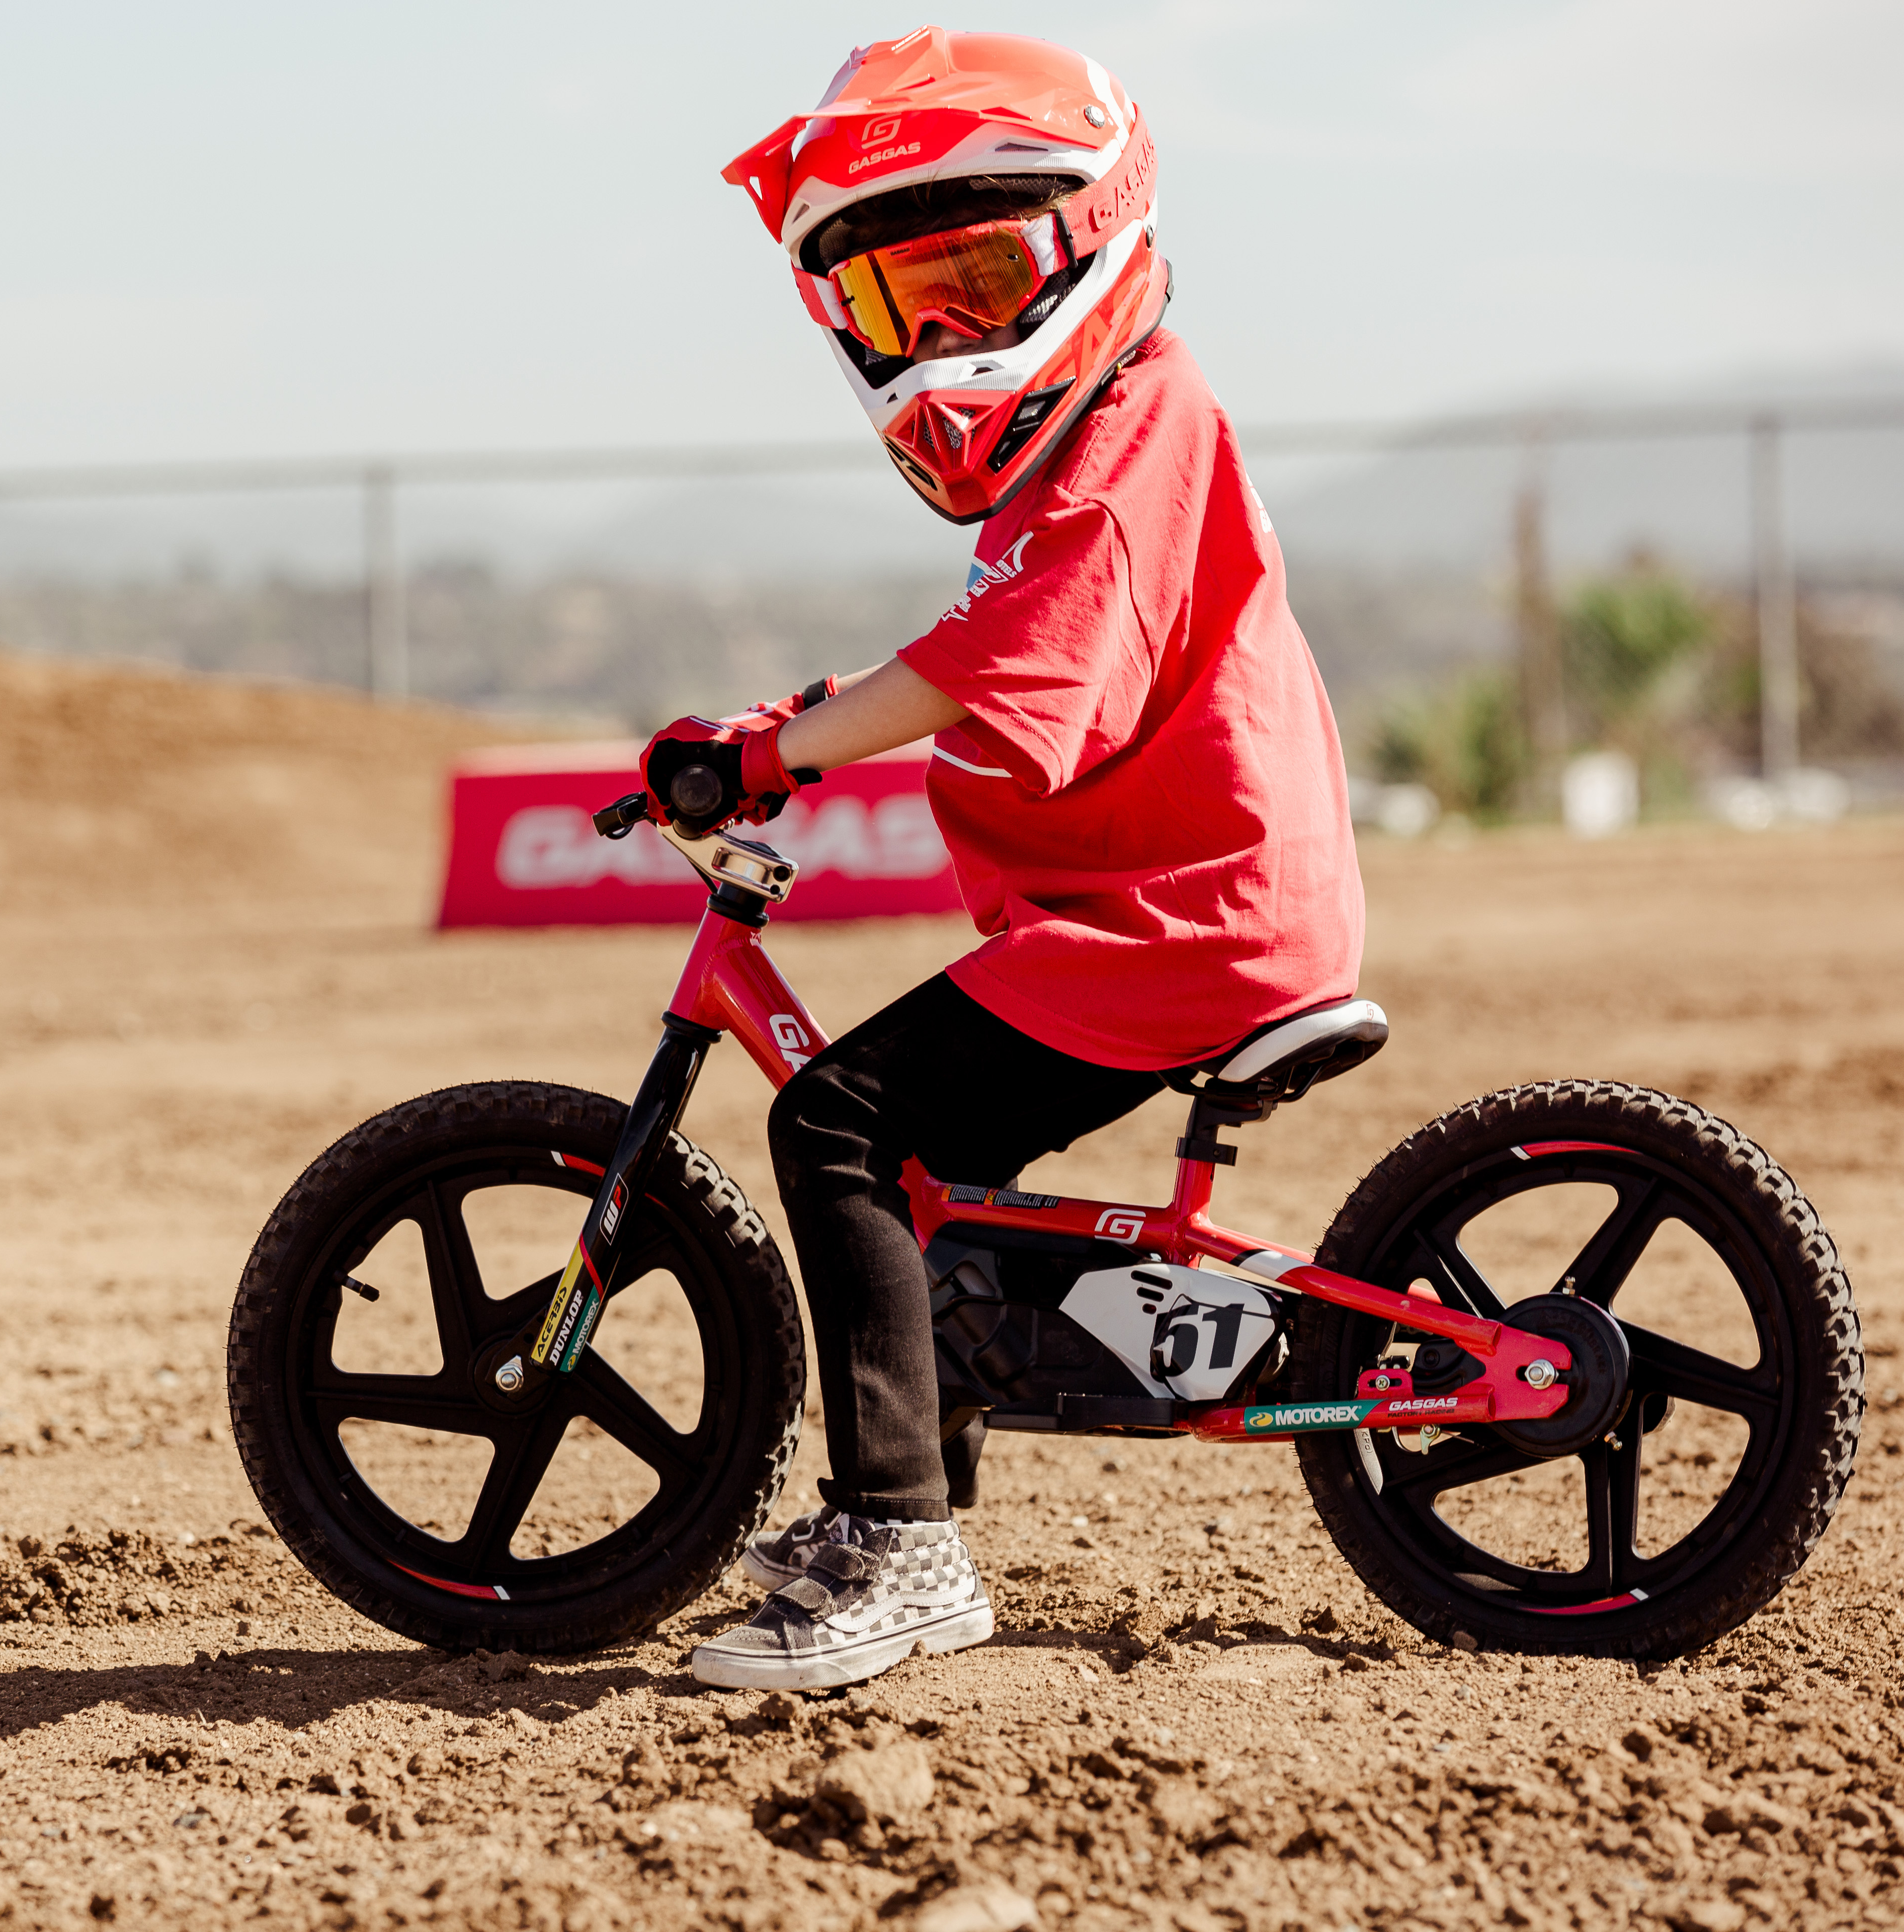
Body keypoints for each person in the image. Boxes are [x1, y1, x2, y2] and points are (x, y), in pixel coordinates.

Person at [641, 27, 1365, 1692]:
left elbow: (1006, 668)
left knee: (837, 1123)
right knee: (917, 1156)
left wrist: (766, 752)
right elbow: (976, 654)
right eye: (912, 308)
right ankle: (904, 1478)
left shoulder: (1140, 429)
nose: (955, 337)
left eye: (984, 277)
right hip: (1178, 911)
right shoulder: (1111, 439)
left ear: (1094, 233)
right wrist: (787, 730)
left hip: (1188, 927)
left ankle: (902, 1543)